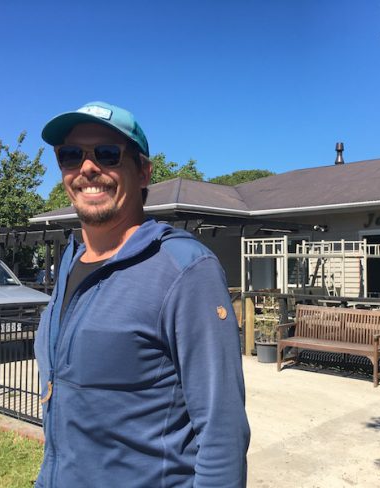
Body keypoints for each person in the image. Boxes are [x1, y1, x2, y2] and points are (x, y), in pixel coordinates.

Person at [34, 101, 250, 487]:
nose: (87, 168)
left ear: (143, 172)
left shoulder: (185, 270)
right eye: (71, 155)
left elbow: (223, 435)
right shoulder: (69, 263)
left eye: (107, 153)